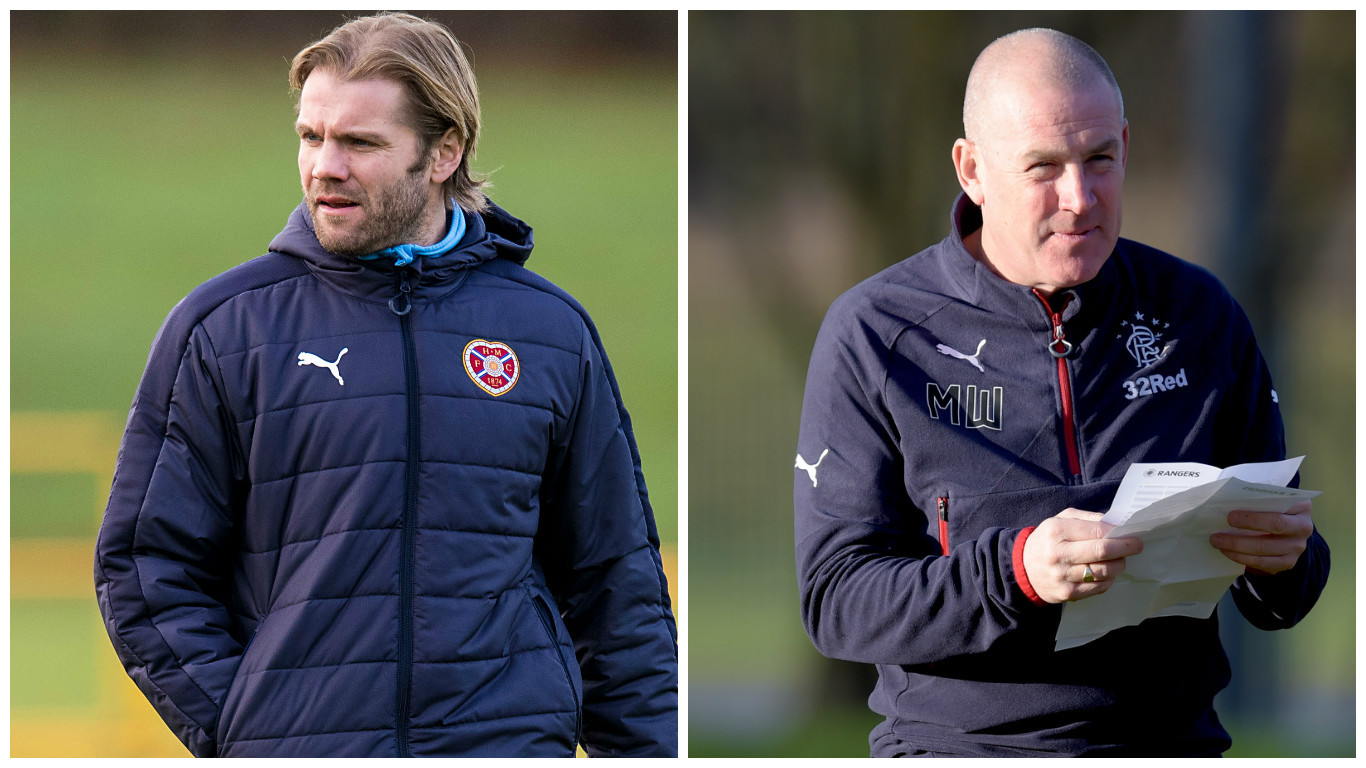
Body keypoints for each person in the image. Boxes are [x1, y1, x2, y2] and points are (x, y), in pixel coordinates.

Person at [94, 12, 676, 758]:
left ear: (444, 152)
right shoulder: (224, 329)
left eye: (359, 143)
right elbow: (146, 566)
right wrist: (251, 732)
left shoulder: (550, 333)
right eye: (311, 136)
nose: (323, 167)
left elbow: (616, 584)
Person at [794, 27, 1328, 757]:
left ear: (1127, 147)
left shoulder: (1200, 315)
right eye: (1043, 166)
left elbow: (1285, 595)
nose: (1080, 199)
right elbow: (837, 603)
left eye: (1100, 159)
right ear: (972, 170)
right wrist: (1016, 572)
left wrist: (1287, 559)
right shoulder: (875, 333)